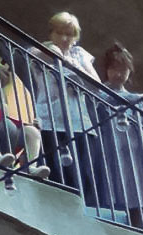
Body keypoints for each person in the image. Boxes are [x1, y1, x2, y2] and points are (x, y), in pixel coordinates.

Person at [92, 44, 143, 232]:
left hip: (133, 152)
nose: (119, 74)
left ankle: (138, 230)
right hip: (110, 150)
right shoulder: (99, 92)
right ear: (106, 69)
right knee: (112, 189)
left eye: (124, 70)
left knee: (136, 191)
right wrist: (140, 100)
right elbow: (106, 103)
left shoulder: (135, 97)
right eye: (114, 69)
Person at [32, 12, 98, 193]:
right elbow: (41, 57)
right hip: (51, 121)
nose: (64, 38)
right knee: (55, 173)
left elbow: (96, 85)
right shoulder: (41, 49)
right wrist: (58, 56)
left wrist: (72, 64)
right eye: (60, 33)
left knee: (81, 175)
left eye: (69, 34)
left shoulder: (80, 55)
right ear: (51, 33)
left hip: (79, 122)